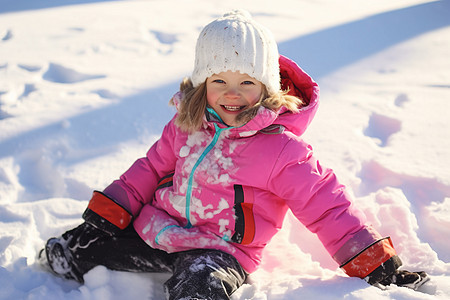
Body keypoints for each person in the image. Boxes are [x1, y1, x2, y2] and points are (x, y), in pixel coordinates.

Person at [40, 10, 428, 300]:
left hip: (222, 249)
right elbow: (150, 166)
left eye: (246, 82)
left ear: (266, 87)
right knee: (88, 243)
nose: (232, 93)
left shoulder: (281, 149)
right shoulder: (187, 124)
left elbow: (326, 206)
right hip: (160, 227)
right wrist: (113, 206)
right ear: (203, 84)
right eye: (219, 81)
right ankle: (70, 257)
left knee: (199, 286)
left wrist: (372, 262)